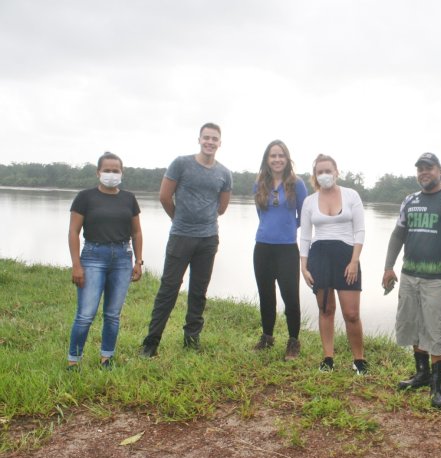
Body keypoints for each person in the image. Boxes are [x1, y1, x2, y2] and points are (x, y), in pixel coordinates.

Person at [382, 152, 441, 409]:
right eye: (420, 169)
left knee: (436, 329)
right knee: (413, 325)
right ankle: (421, 375)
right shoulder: (410, 200)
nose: (424, 172)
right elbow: (398, 235)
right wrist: (389, 267)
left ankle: (437, 386)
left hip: (438, 279)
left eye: (429, 168)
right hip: (410, 275)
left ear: (440, 171)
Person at [140, 123, 233, 357]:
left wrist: (203, 219)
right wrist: (178, 219)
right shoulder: (181, 163)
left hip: (208, 239)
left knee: (199, 291)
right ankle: (151, 343)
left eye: (215, 139)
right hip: (181, 236)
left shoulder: (224, 173)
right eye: (206, 138)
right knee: (168, 289)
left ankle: (191, 339)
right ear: (199, 139)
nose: (210, 142)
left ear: (220, 143)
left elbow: (221, 207)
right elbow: (164, 196)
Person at [67, 152, 143, 370]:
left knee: (112, 314)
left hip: (121, 258)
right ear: (98, 172)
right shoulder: (85, 197)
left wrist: (138, 261)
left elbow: (137, 232)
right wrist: (76, 265)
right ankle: (74, 360)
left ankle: (106, 358)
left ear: (122, 172)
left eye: (115, 170)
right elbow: (73, 231)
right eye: (107, 170)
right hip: (92, 256)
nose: (111, 174)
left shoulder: (129, 198)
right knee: (85, 314)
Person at [299, 154, 367, 374]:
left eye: (328, 171)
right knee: (326, 309)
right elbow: (306, 237)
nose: (324, 175)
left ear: (336, 172)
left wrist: (354, 260)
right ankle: (328, 358)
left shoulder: (351, 195)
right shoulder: (309, 201)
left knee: (352, 313)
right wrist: (304, 266)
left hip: (347, 256)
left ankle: (359, 360)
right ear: (315, 176)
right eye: (320, 172)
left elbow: (359, 230)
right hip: (319, 256)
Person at [252, 140, 307, 360]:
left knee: (291, 296)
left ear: (287, 159)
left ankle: (293, 341)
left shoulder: (297, 184)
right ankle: (267, 336)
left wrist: (288, 228)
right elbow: (261, 214)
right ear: (267, 159)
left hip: (287, 249)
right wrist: (270, 229)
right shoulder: (259, 184)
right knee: (266, 295)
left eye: (281, 155)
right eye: (273, 156)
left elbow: (304, 215)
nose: (277, 159)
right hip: (263, 246)